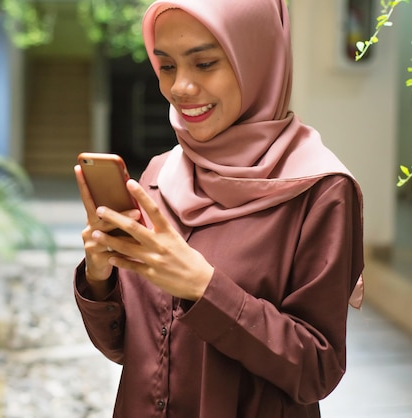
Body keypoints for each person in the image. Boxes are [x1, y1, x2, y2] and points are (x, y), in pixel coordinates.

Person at [72, 0, 364, 417]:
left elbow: (317, 370)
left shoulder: (320, 190)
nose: (180, 88)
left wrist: (205, 288)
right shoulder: (159, 175)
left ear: (258, 59)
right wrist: (100, 277)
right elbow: (126, 350)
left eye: (205, 63)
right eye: (167, 66)